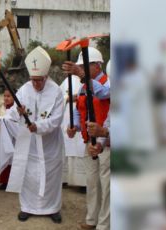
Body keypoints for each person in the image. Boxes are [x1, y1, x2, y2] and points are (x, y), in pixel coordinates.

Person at [6, 46, 64, 224]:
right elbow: (13, 114)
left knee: (51, 176)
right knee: (29, 174)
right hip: (29, 144)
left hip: (50, 144)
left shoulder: (56, 92)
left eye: (39, 80)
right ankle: (27, 207)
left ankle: (52, 208)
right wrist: (18, 111)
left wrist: (38, 126)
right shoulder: (24, 89)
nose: (36, 84)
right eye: (33, 80)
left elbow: (56, 120)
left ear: (46, 77)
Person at [63, 47, 110, 230]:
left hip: (106, 143)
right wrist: (74, 125)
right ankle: (92, 219)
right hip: (88, 142)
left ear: (97, 65)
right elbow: (78, 109)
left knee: (106, 186)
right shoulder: (84, 86)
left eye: (86, 66)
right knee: (92, 183)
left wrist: (82, 76)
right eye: (81, 66)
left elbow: (100, 93)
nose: (82, 69)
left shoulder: (108, 83)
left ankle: (104, 225)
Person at [59, 75, 87, 190]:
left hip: (81, 115)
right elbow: (58, 97)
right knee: (66, 146)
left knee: (81, 147)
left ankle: (83, 183)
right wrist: (67, 98)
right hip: (66, 116)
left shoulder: (87, 79)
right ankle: (64, 178)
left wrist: (80, 98)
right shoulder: (66, 80)